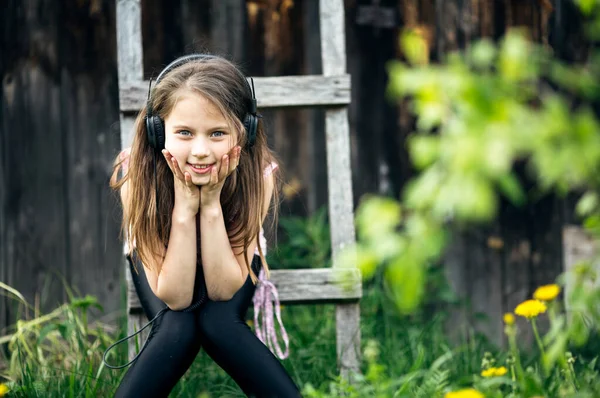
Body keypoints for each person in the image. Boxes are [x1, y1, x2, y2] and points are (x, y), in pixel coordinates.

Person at [107, 54, 300, 397]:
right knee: (177, 328)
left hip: (229, 261)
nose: (199, 151)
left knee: (218, 322)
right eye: (183, 132)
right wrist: (184, 205)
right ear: (157, 131)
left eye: (217, 133)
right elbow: (177, 298)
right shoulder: (136, 172)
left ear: (245, 131)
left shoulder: (258, 173)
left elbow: (223, 290)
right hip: (165, 264)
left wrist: (210, 203)